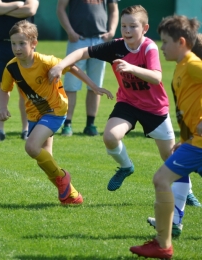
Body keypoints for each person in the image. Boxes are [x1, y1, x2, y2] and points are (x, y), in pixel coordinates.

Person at [48, 4, 200, 234]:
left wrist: (131, 68)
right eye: (124, 26)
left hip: (155, 109)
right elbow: (82, 52)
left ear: (145, 28)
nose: (127, 30)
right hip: (128, 105)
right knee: (109, 137)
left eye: (133, 26)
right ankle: (126, 166)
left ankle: (185, 192)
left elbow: (156, 77)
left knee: (171, 157)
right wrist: (61, 65)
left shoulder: (149, 48)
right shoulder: (116, 46)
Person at [0, 20, 113, 205]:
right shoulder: (11, 67)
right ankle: (72, 196)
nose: (17, 48)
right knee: (45, 160)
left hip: (55, 110)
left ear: (33, 43)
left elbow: (72, 67)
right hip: (34, 115)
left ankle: (64, 177)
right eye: (13, 43)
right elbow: (5, 89)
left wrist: (94, 86)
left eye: (22, 43)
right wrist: (3, 108)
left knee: (31, 147)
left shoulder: (45, 61)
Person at [130, 15, 202, 259]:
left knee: (161, 179)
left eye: (165, 42)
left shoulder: (193, 65)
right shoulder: (181, 68)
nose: (161, 47)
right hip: (194, 144)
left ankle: (163, 244)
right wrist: (186, 137)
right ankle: (163, 243)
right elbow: (189, 108)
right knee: (161, 179)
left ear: (181, 42)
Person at [56, 0, 119, 136]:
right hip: (78, 39)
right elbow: (60, 8)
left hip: (100, 40)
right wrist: (70, 31)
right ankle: (67, 124)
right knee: (71, 84)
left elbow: (114, 9)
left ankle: (90, 124)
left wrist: (112, 31)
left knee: (95, 85)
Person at [0, 0, 39, 142]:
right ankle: (0, 130)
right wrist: (19, 4)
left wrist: (3, 9)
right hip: (0, 44)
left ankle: (26, 129)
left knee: (25, 89)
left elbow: (30, 10)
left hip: (24, 45)